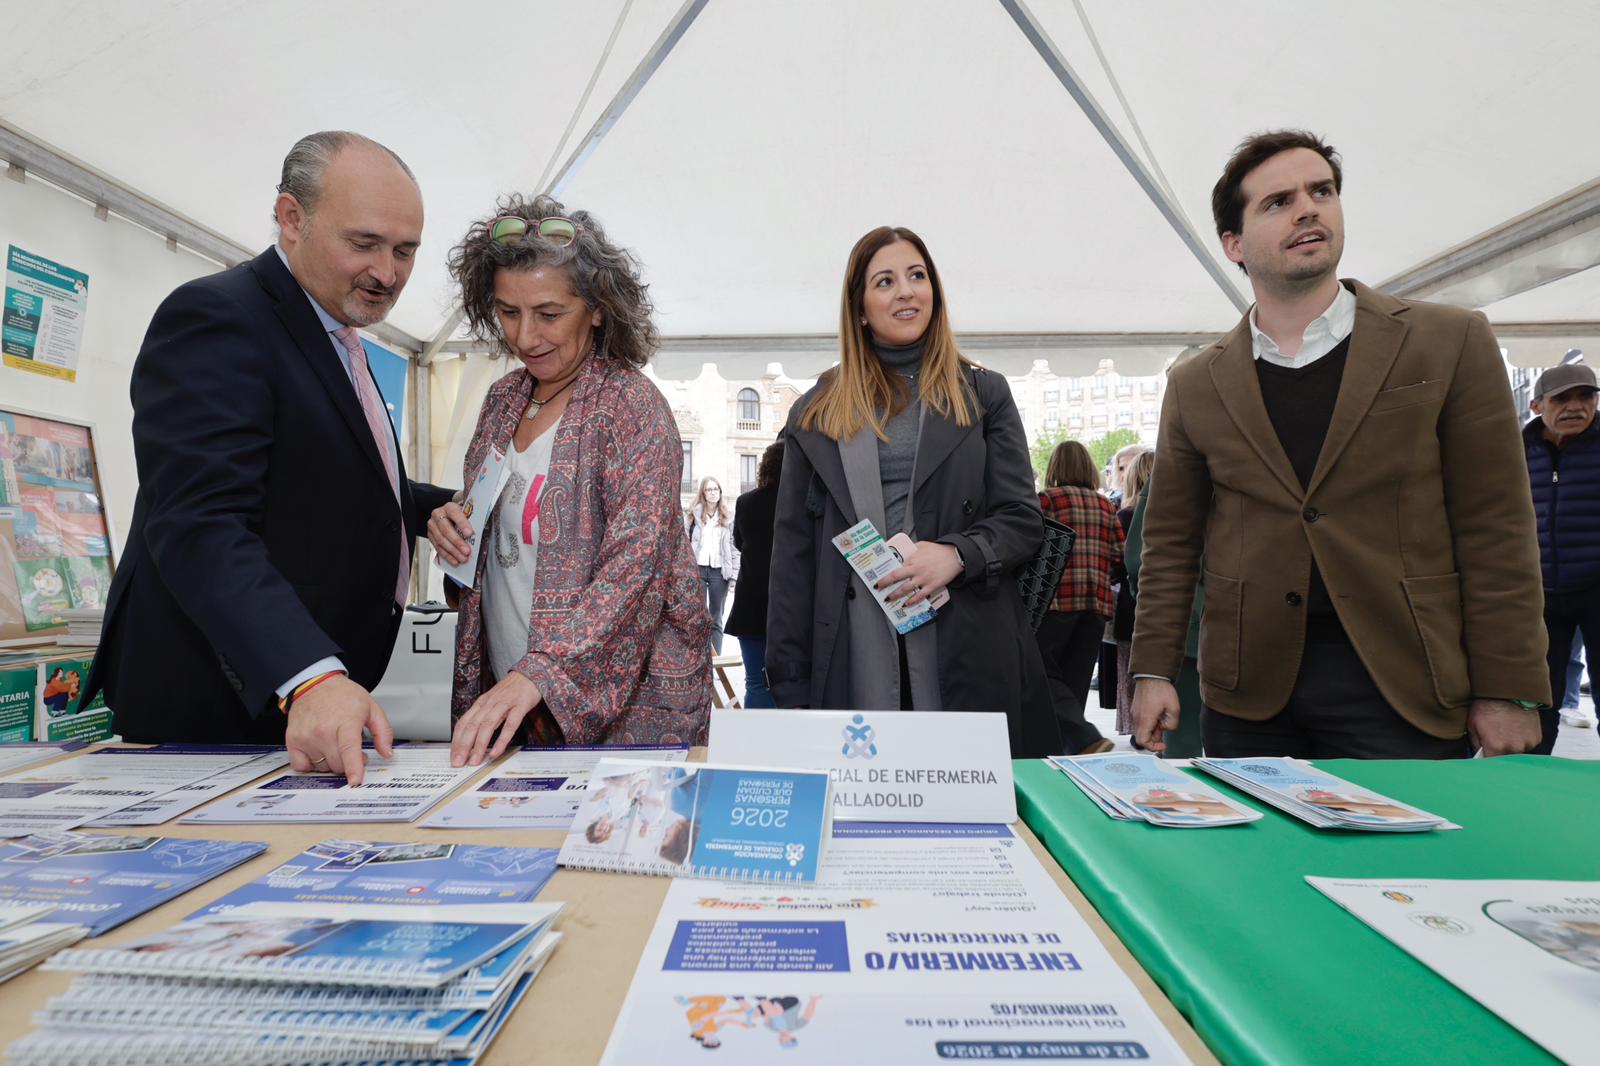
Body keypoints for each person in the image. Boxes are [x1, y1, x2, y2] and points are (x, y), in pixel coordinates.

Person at [1131, 129, 1548, 759]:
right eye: (1278, 202)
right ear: (1233, 244)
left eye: (1321, 191)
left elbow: (1497, 526)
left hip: (1407, 681)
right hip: (1249, 696)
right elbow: (1169, 542)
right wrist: (1153, 669)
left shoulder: (1448, 340)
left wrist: (1509, 688)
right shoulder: (1196, 383)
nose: (1307, 208)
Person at [84, 132, 454, 783]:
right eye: (364, 243)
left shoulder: (334, 330)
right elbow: (199, 521)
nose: (387, 273)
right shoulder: (218, 317)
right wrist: (307, 675)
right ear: (291, 218)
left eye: (405, 251)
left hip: (296, 702)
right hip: (218, 699)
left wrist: (439, 509)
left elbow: (328, 476)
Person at [428, 194, 711, 766]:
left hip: (626, 713)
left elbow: (633, 569)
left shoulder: (631, 407)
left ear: (598, 309)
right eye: (508, 312)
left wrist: (542, 674)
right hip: (513, 696)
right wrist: (455, 532)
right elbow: (501, 540)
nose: (525, 336)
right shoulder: (502, 401)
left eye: (549, 314)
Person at [765, 226, 1060, 757]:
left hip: (965, 639)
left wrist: (956, 555)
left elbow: (1021, 518)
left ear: (934, 293)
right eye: (885, 281)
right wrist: (790, 685)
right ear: (859, 308)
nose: (905, 291)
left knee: (969, 800)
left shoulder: (984, 393)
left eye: (917, 276)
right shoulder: (815, 412)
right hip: (852, 648)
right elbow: (793, 557)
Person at [1523, 361, 1600, 752]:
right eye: (1562, 398)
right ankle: (1536, 775)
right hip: (1540, 592)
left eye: (1585, 396)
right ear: (1537, 405)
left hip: (1596, 587)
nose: (1575, 406)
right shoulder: (1517, 450)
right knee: (1539, 697)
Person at [1035, 440, 1122, 754]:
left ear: (1055, 466)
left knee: (1038, 672)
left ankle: (1082, 738)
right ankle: (1076, 749)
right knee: (1074, 685)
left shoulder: (1047, 500)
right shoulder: (1106, 505)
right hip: (1096, 605)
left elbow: (1028, 544)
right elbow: (1119, 554)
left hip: (1055, 602)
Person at [724, 440, 784, 707]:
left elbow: (739, 542)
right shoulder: (797, 503)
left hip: (750, 599)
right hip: (787, 601)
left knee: (755, 681)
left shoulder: (745, 502)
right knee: (792, 682)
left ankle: (757, 733)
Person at [1112, 449, 1153, 736]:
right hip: (1166, 610)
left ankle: (1138, 729)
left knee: (1130, 670)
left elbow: (1119, 564)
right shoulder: (1173, 515)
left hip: (1131, 606)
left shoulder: (1126, 516)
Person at [686, 477, 739, 653]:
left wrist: (734, 577)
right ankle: (697, 659)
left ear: (720, 492)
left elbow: (734, 547)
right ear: (703, 493)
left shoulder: (728, 516)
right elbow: (685, 543)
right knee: (698, 617)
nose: (713, 493)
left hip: (719, 572)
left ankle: (716, 661)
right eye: (709, 489)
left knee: (716, 619)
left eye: (716, 489)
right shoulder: (693, 515)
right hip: (698, 570)